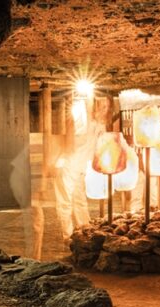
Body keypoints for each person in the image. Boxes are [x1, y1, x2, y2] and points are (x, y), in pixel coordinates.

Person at [54, 97, 103, 243]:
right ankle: (68, 235)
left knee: (79, 199)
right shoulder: (79, 116)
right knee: (66, 201)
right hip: (68, 165)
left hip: (79, 166)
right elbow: (69, 141)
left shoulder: (96, 125)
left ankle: (84, 229)